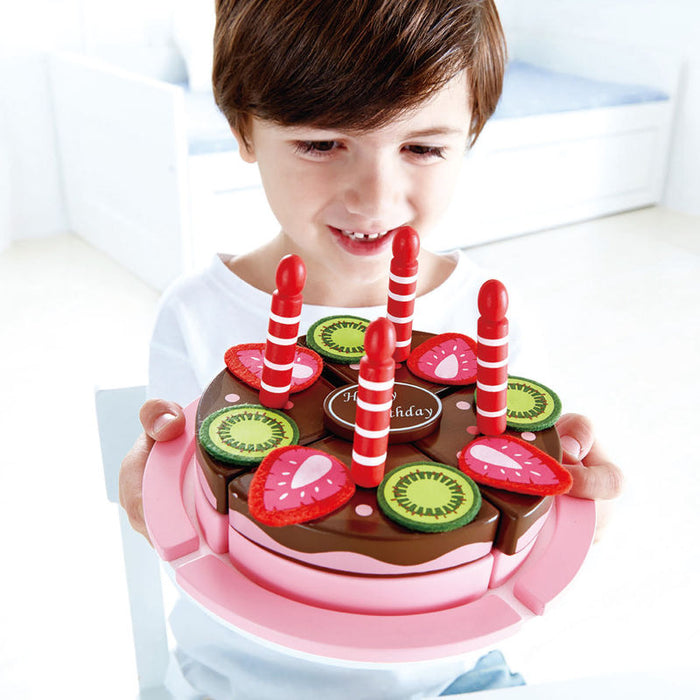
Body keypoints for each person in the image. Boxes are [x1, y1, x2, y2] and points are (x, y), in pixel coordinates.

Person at [120, 1, 624, 697]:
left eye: (422, 148)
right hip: (236, 677)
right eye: (323, 143)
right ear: (243, 130)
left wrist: (575, 500)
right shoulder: (195, 313)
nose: (375, 198)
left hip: (454, 675)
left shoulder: (488, 320)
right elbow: (190, 497)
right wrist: (146, 487)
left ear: (470, 138)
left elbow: (514, 499)